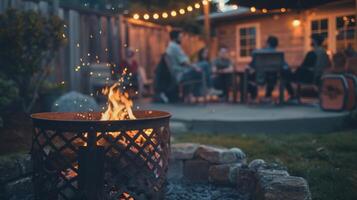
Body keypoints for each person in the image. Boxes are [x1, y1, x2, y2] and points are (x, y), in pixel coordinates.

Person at [284, 34, 332, 100]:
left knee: (284, 74)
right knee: (290, 72)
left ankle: (292, 95)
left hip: (309, 76)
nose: (311, 42)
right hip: (320, 76)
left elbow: (304, 66)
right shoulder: (325, 53)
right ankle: (293, 95)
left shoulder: (312, 53)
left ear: (315, 41)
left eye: (311, 40)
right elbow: (328, 65)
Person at [165, 30, 204, 98]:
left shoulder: (171, 46)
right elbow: (184, 62)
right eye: (180, 37)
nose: (181, 39)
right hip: (181, 74)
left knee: (201, 67)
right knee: (204, 65)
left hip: (179, 73)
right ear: (175, 38)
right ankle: (205, 90)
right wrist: (195, 67)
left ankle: (195, 93)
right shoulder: (175, 47)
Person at [249, 36, 287, 101]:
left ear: (267, 43)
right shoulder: (278, 55)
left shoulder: (257, 52)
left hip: (259, 76)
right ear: (276, 45)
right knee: (275, 75)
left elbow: (252, 64)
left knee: (249, 76)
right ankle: (268, 95)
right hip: (273, 77)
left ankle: (253, 96)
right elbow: (285, 66)